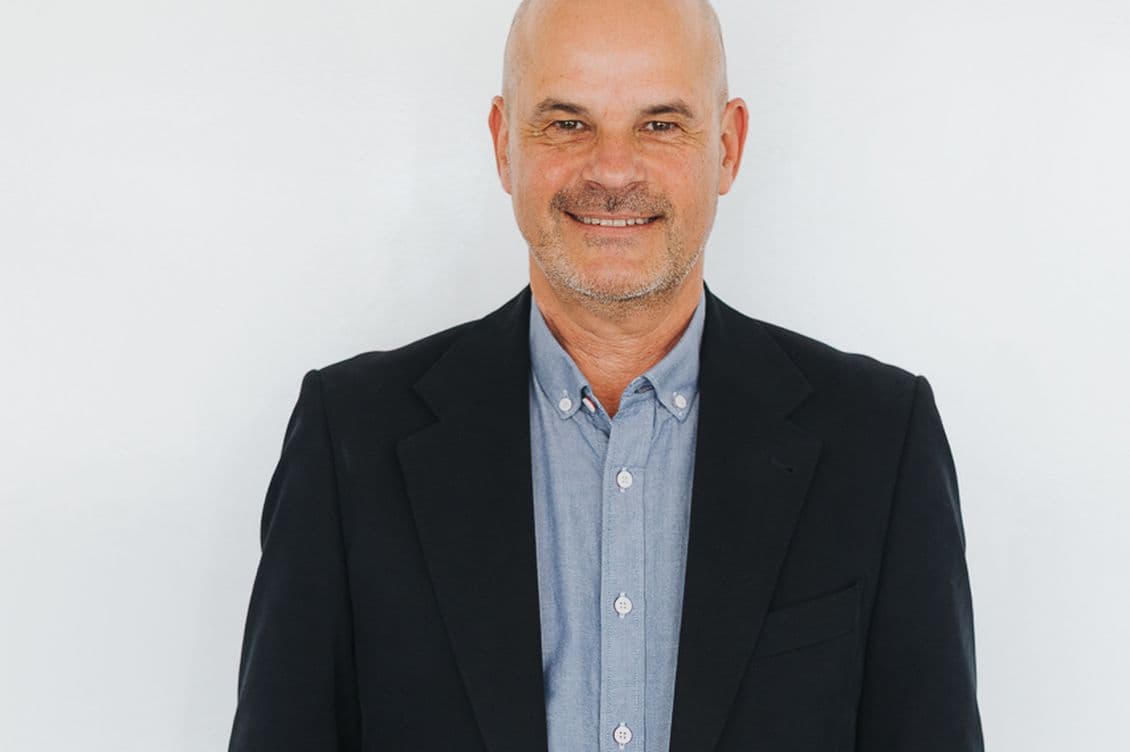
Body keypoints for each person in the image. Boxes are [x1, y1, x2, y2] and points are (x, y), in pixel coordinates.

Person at [227, 0, 984, 750]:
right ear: (503, 145)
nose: (613, 170)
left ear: (727, 147)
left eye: (660, 124)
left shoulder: (880, 444)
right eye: (567, 123)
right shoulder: (349, 440)